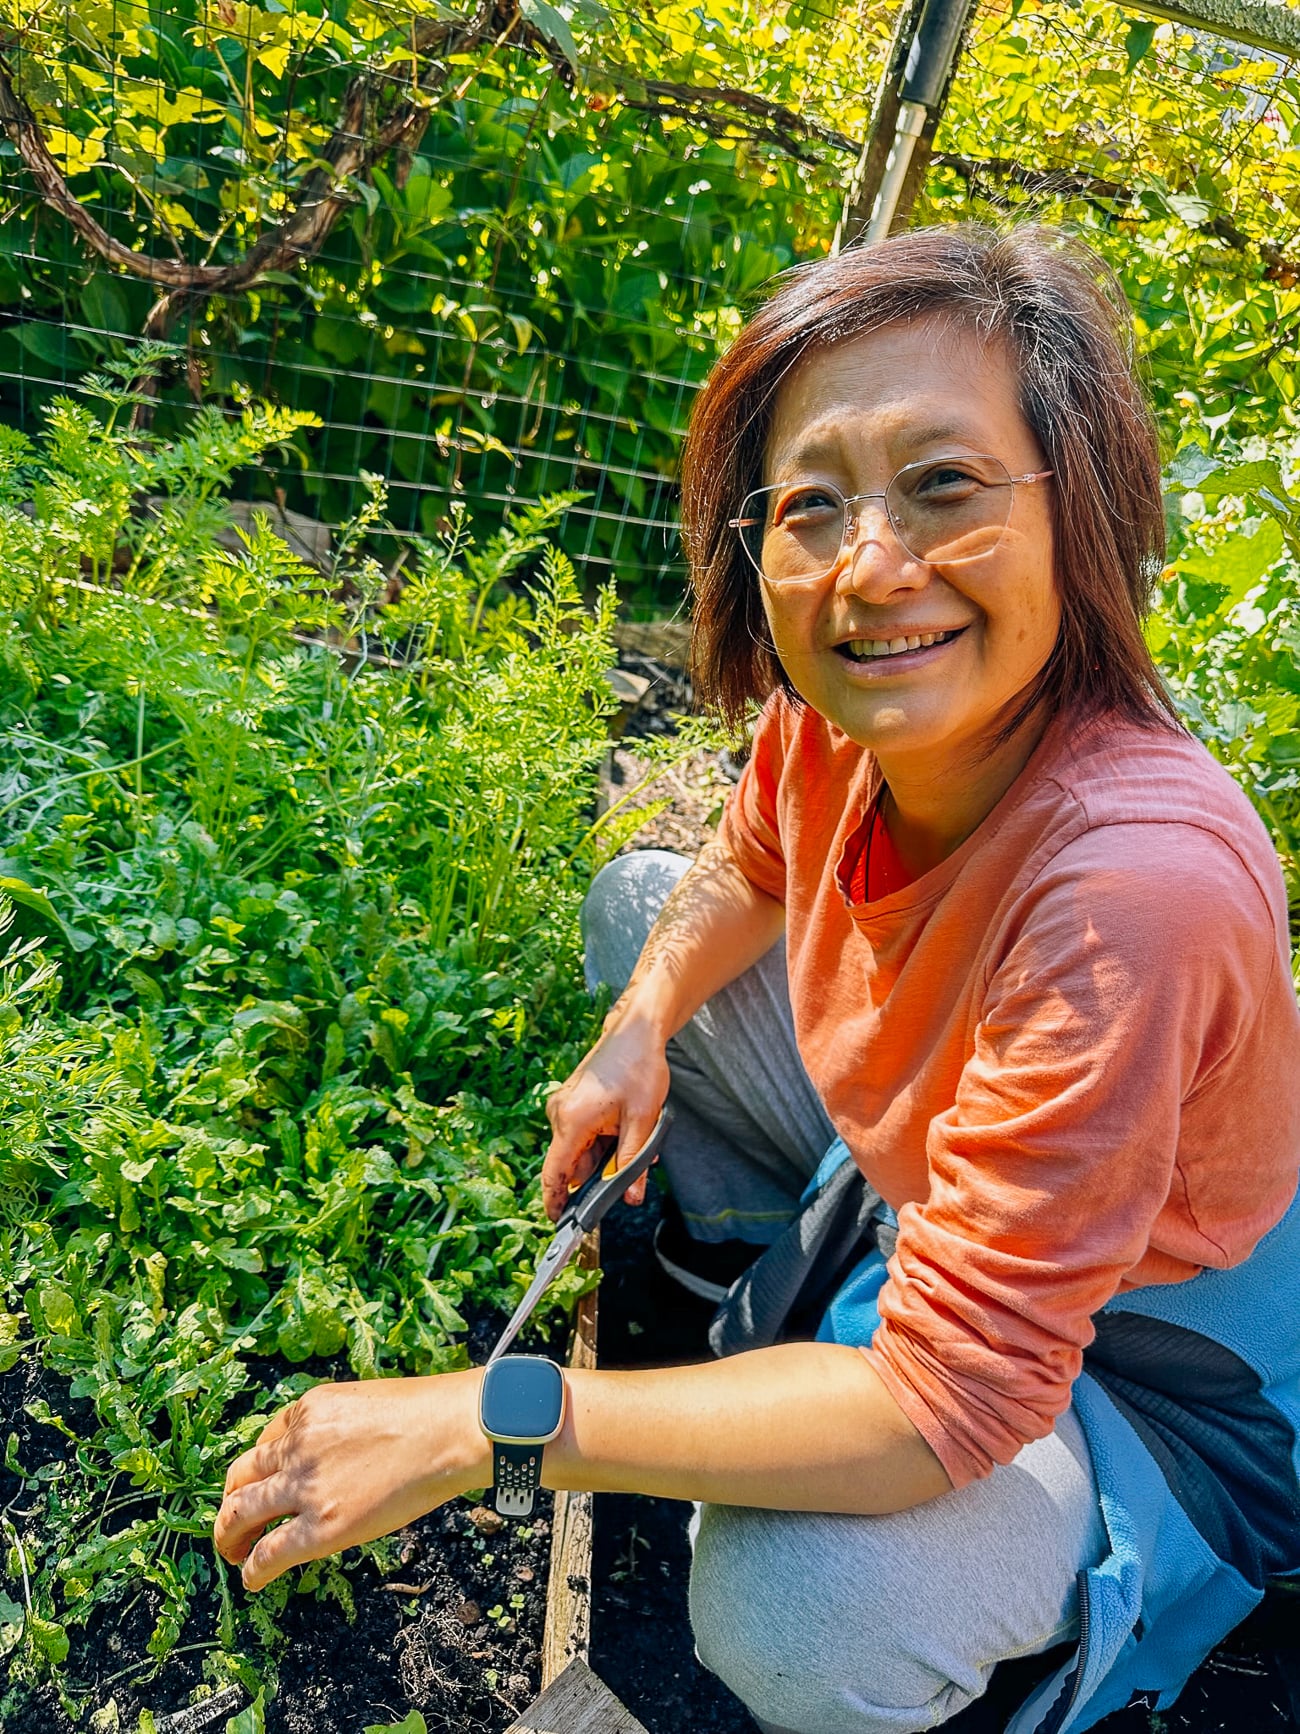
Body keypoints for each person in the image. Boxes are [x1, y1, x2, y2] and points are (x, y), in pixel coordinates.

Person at [214, 224, 1300, 1734]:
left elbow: (947, 1399)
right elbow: (743, 864)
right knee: (636, 911)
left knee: (797, 1608)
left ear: (1084, 510)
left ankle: (1051, 1623)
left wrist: (484, 1419)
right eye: (811, 505)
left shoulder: (1134, 886)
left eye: (944, 483)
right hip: (953, 1191)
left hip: (1150, 1351)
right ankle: (760, 1295)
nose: (869, 566)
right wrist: (635, 1032)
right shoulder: (847, 716)